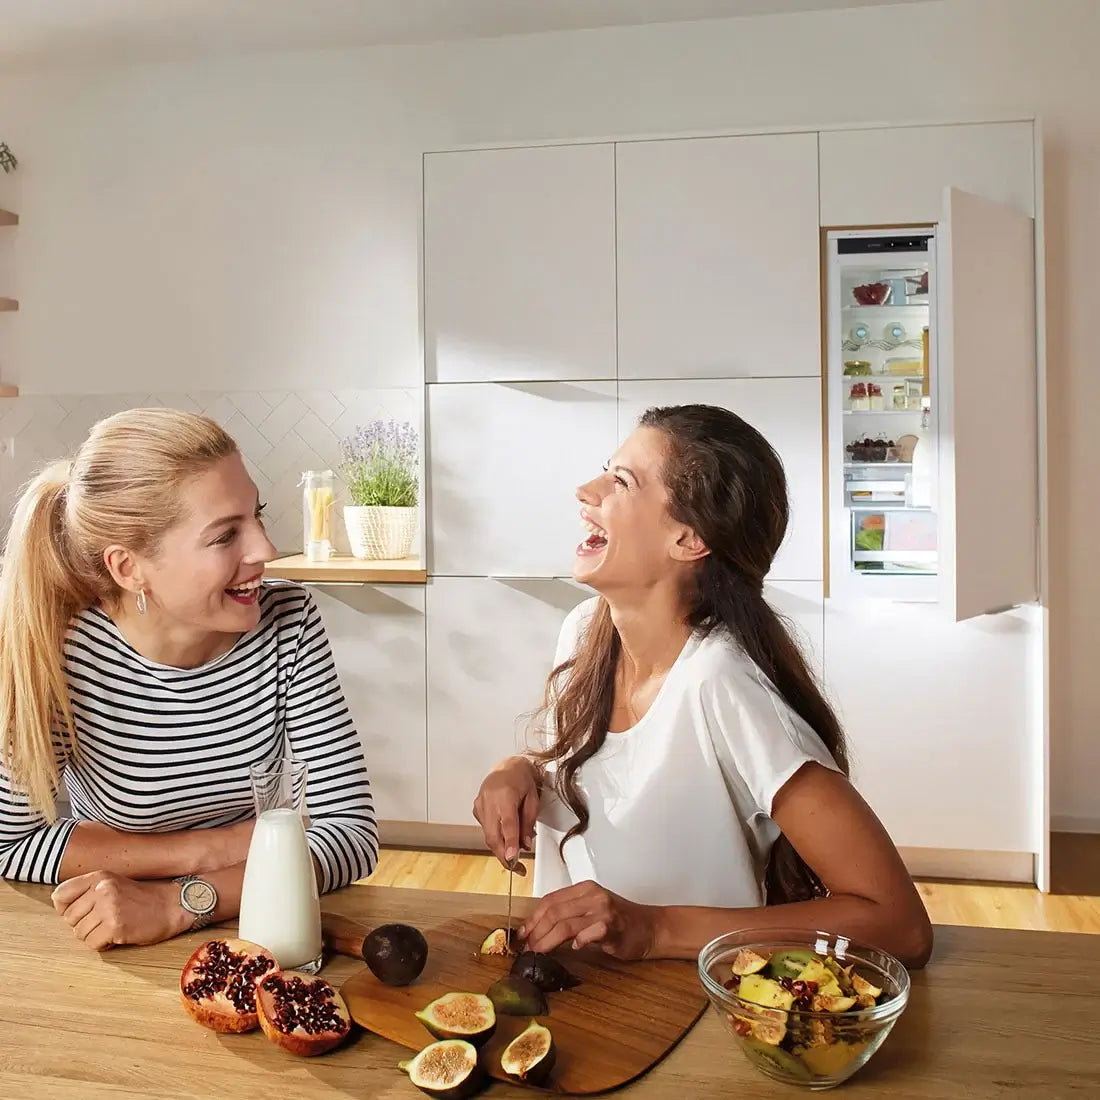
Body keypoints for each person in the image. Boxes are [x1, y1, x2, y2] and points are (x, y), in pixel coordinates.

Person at [474, 404, 933, 967]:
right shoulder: (583, 632)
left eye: (622, 481)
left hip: (696, 1006)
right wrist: (519, 770)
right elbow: (608, 780)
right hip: (578, 992)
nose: (586, 491)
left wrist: (654, 929)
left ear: (689, 539)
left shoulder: (722, 683)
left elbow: (900, 925)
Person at [0, 408, 377, 949]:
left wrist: (181, 902)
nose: (266, 550)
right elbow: (9, 844)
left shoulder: (288, 618)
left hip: (255, 920)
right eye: (225, 536)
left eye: (256, 516)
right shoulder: (56, 653)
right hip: (116, 929)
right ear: (129, 568)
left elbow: (352, 834)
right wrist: (209, 849)